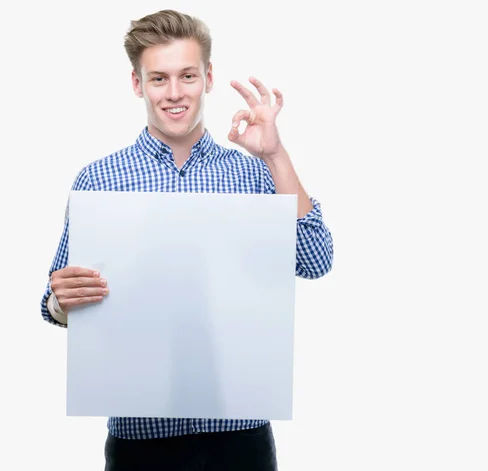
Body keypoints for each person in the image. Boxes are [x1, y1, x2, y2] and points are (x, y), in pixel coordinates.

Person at [40, 9, 333, 471]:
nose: (174, 93)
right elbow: (52, 304)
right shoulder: (99, 180)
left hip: (241, 438)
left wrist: (276, 155)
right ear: (138, 84)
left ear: (208, 78)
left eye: (187, 76)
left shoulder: (254, 172)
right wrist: (61, 301)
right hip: (139, 442)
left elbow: (316, 260)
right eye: (158, 78)